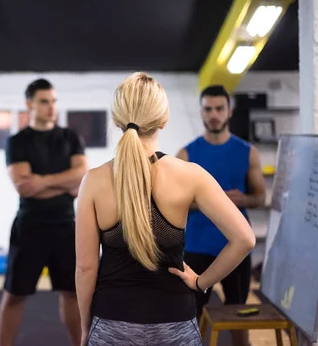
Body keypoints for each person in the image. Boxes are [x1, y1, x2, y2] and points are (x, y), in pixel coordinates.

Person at [75, 72, 256, 346]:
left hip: (113, 321)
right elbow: (244, 239)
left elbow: (86, 269)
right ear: (164, 118)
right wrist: (201, 282)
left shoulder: (94, 181)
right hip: (175, 322)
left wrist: (85, 327)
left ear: (116, 119)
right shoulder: (191, 175)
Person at [0, 78, 89, 346]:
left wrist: (42, 182)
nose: (51, 107)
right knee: (14, 295)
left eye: (54, 101)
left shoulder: (70, 137)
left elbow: (81, 177)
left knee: (72, 293)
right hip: (30, 228)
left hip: (65, 227)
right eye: (44, 101)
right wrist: (64, 182)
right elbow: (24, 187)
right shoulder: (17, 142)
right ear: (30, 104)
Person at [176, 84, 266, 346]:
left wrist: (244, 199)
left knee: (238, 315)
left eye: (219, 108)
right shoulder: (186, 154)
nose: (213, 114)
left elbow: (260, 198)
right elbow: (174, 203)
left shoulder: (248, 152)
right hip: (196, 248)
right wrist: (209, 201)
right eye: (208, 109)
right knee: (190, 318)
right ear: (201, 113)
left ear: (229, 111)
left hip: (236, 247)